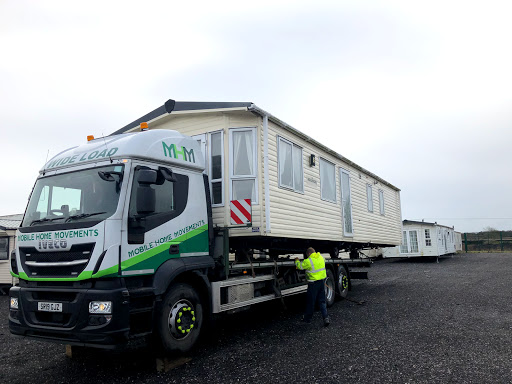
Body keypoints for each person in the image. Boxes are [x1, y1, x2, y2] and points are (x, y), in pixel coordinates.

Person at [295, 247, 330, 326]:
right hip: (321, 282)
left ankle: (307, 319)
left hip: (313, 284)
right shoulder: (321, 258)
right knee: (322, 301)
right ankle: (326, 318)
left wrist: (297, 261)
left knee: (311, 302)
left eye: (307, 255)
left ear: (309, 253)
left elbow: (300, 267)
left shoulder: (308, 261)